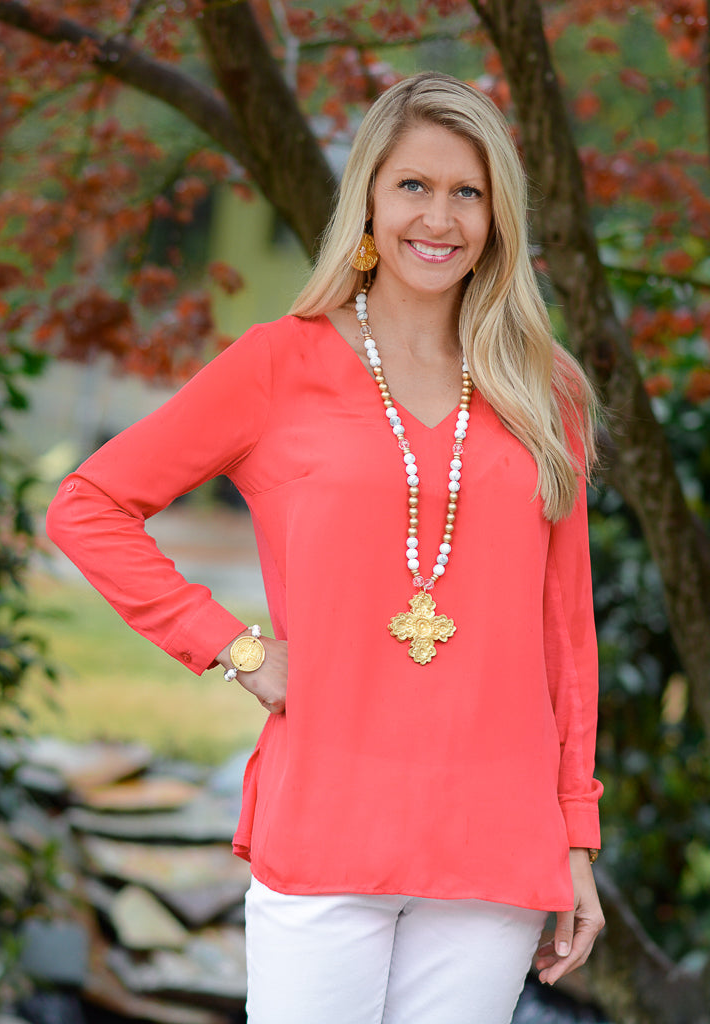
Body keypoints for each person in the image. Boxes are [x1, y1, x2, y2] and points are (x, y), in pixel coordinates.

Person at [47, 72, 605, 1024]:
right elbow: (87, 506)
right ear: (370, 204)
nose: (440, 218)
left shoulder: (536, 386)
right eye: (413, 188)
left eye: (468, 192)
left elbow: (567, 635)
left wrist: (577, 839)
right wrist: (237, 647)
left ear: (498, 216)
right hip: (330, 812)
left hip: (494, 835)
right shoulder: (279, 363)